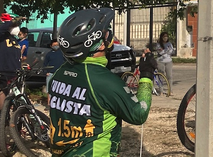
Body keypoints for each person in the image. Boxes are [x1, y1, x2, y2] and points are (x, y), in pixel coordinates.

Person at [49, 8, 156, 156]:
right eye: (106, 32)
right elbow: (139, 114)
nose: (110, 34)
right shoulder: (105, 82)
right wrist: (146, 74)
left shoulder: (59, 73)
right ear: (99, 45)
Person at [0, 13, 23, 109]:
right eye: (14, 26)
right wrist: (12, 22)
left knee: (16, 99)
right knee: (2, 94)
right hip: (3, 72)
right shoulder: (1, 36)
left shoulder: (14, 40)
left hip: (14, 74)